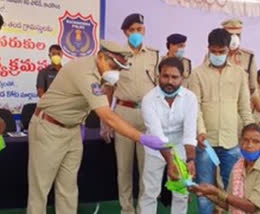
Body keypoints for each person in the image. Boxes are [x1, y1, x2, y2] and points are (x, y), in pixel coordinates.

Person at [27, 40, 166, 214]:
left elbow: (105, 95)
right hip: (49, 127)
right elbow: (108, 115)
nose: (116, 72)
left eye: (120, 69)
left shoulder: (102, 73)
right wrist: (142, 138)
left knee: (68, 189)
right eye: (114, 66)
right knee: (40, 189)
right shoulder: (85, 73)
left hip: (72, 130)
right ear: (101, 56)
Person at [188, 28, 254, 214]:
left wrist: (250, 133)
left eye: (221, 52)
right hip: (205, 142)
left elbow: (244, 108)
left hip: (231, 141)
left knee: (233, 191)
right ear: (208, 48)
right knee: (204, 191)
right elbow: (195, 108)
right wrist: (200, 131)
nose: (217, 55)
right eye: (214, 51)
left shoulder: (240, 74)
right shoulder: (197, 74)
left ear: (229, 50)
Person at [104, 13, 160, 214]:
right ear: (125, 32)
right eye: (132, 30)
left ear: (144, 30)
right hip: (123, 114)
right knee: (124, 168)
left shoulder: (155, 55)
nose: (136, 33)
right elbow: (109, 89)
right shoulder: (117, 55)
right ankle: (126, 209)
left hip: (147, 116)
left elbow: (160, 88)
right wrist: (106, 121)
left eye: (140, 29)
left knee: (147, 168)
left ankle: (144, 209)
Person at [139, 57, 197, 214]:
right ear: (158, 76)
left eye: (174, 77)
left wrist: (190, 159)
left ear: (182, 78)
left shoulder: (190, 98)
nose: (169, 81)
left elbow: (190, 133)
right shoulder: (149, 99)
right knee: (150, 192)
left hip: (180, 148)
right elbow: (158, 136)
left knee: (181, 193)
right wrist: (171, 162)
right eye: (165, 76)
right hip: (155, 149)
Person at [190, 123, 260, 214]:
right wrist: (205, 192)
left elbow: (252, 207)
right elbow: (229, 204)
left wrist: (217, 191)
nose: (249, 145)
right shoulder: (238, 168)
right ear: (240, 142)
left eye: (256, 141)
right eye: (246, 140)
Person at [221, 18, 258, 95]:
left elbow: (253, 86)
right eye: (231, 35)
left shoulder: (248, 57)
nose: (234, 38)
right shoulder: (215, 56)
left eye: (237, 35)